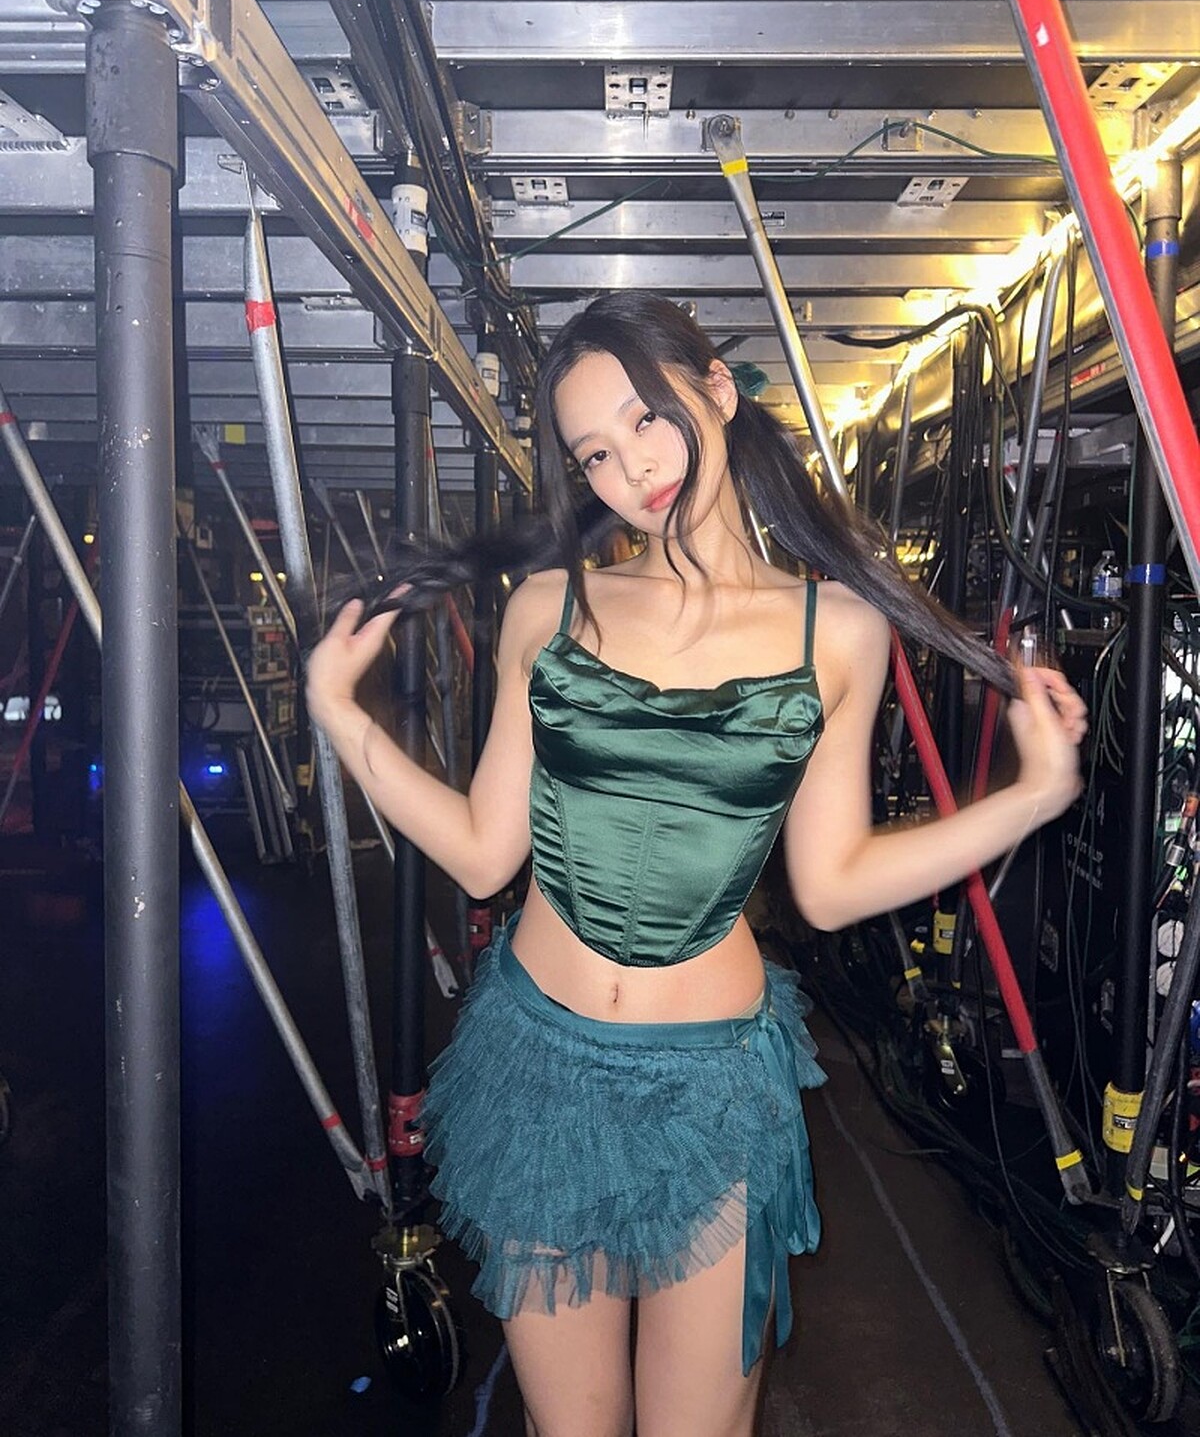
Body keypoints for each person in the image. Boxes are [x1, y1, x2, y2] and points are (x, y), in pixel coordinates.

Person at [305, 292, 1087, 1437]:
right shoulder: (548, 605)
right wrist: (340, 711)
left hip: (713, 1093)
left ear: (716, 389)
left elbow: (830, 884)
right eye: (594, 453)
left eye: (646, 418)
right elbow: (481, 855)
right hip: (535, 1067)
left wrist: (1031, 797)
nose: (632, 468)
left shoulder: (839, 628)